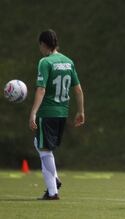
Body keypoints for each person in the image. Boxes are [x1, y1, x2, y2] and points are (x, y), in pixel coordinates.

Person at [29, 29, 85, 200]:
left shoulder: (45, 62)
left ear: (43, 44)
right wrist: (81, 111)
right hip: (63, 112)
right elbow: (78, 89)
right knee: (40, 144)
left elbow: (41, 88)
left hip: (47, 112)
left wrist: (33, 113)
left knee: (44, 149)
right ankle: (54, 182)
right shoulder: (68, 62)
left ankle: (53, 190)